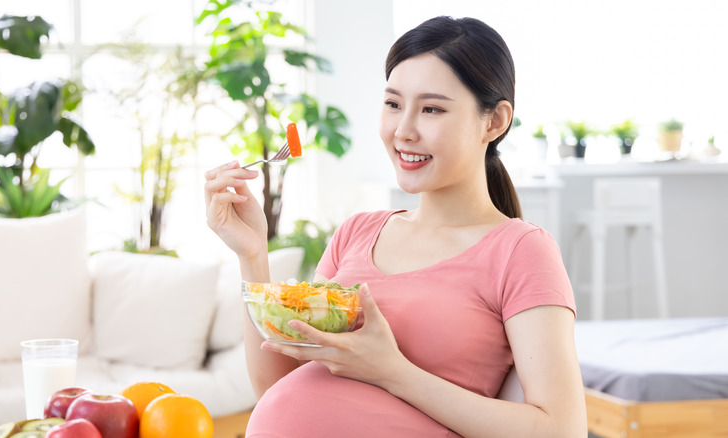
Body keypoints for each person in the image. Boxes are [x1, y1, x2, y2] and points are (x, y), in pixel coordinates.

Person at [204, 16, 587, 438]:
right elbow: (277, 387)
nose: (403, 131)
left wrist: (393, 372)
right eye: (392, 104)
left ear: (494, 121)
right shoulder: (356, 233)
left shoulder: (520, 250)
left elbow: (560, 429)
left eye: (432, 109)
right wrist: (253, 255)